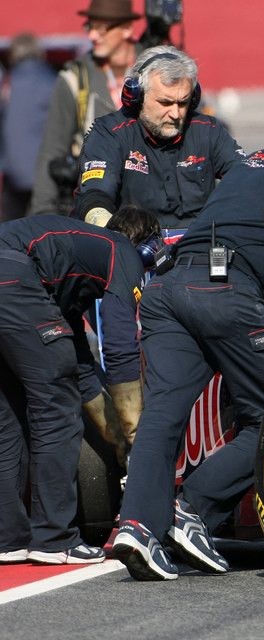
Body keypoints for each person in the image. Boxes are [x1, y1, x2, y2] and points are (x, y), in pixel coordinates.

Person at [112, 100, 264, 581]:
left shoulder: (254, 161)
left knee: (162, 415)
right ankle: (193, 508)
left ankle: (136, 524)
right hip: (227, 290)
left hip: (165, 285)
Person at [0, 207, 158, 565]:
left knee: (8, 417)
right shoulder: (123, 249)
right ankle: (55, 539)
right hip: (13, 276)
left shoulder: (70, 268)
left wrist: (113, 433)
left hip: (12, 280)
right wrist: (134, 432)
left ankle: (8, 538)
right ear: (149, 244)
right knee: (56, 410)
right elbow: (118, 342)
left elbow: (78, 363)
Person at [74, 45, 243, 229]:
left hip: (199, 248)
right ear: (136, 96)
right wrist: (118, 231)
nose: (176, 114)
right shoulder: (109, 133)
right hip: (134, 250)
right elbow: (95, 197)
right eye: (165, 102)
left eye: (183, 102)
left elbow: (247, 178)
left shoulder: (209, 130)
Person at [29, 0, 141, 217]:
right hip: (93, 204)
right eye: (90, 26)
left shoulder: (154, 73)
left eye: (102, 28)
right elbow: (52, 151)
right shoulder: (74, 79)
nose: (92, 36)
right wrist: (43, 217)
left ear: (127, 28)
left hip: (146, 206)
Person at [1, 34, 56, 221]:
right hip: (43, 171)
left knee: (10, 232)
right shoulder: (51, 81)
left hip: (13, 172)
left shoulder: (7, 84)